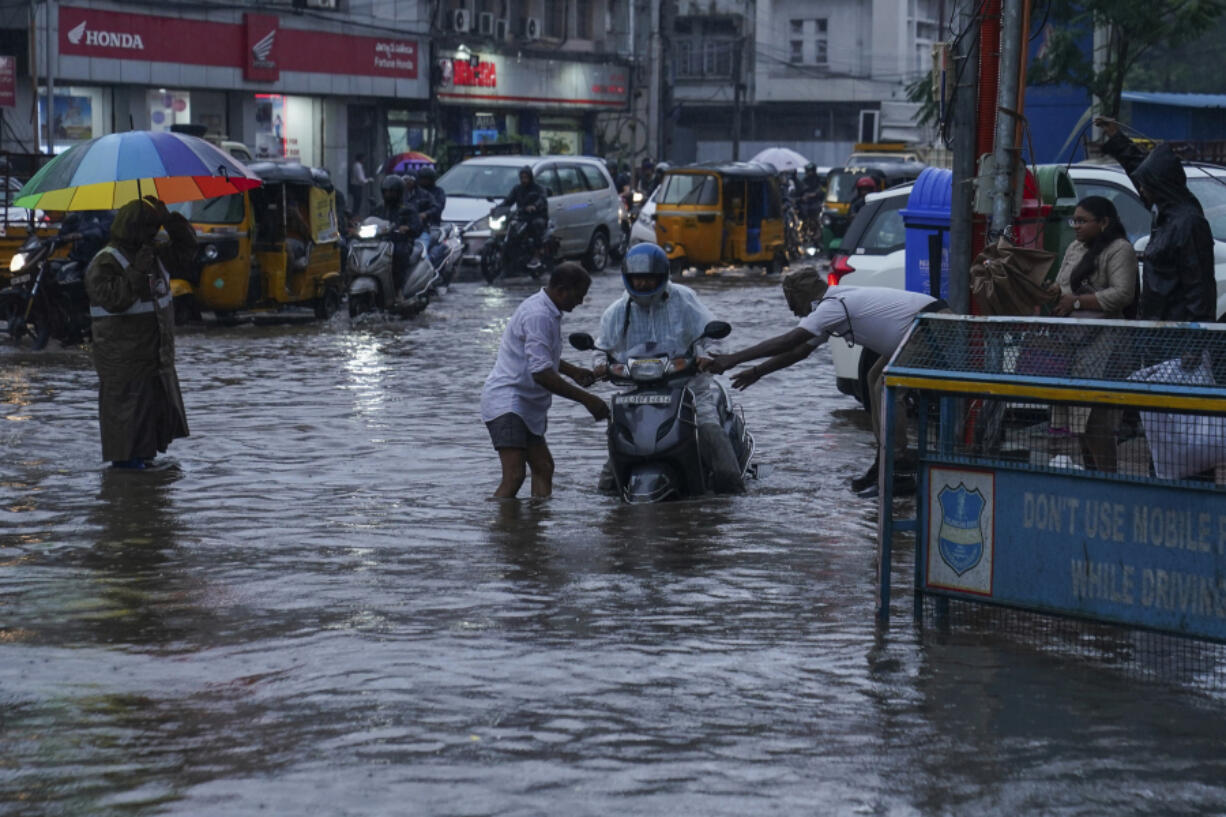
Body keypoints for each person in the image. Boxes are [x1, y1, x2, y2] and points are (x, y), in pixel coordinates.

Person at [706, 267, 950, 498]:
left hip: (932, 325)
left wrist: (733, 359)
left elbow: (790, 341)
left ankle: (899, 469)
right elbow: (799, 352)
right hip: (919, 326)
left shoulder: (830, 306)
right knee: (874, 378)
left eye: (791, 303)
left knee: (886, 386)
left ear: (801, 296)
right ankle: (883, 463)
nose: (792, 311)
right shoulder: (834, 304)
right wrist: (757, 371)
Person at [594, 243, 745, 493]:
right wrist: (600, 366)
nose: (642, 285)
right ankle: (608, 499)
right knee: (613, 462)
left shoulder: (684, 300)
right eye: (637, 279)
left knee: (711, 434)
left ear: (662, 276)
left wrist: (706, 356)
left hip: (689, 390)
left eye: (649, 279)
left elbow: (711, 336)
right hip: (637, 395)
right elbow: (602, 348)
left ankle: (734, 496)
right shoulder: (617, 311)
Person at [83, 196, 196, 469]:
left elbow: (188, 250)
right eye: (149, 228)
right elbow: (114, 299)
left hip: (153, 355)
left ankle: (143, 468)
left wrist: (170, 219)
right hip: (123, 360)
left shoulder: (154, 253)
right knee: (126, 421)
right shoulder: (105, 261)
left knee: (151, 418)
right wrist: (137, 271)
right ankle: (126, 476)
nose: (154, 234)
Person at [480, 263, 610, 498]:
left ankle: (535, 528)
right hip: (509, 402)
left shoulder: (546, 310)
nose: (580, 302)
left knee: (544, 468)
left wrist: (573, 372)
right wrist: (587, 400)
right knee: (514, 476)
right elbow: (540, 373)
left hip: (524, 404)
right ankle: (500, 531)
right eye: (579, 296)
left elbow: (540, 356)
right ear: (562, 291)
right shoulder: (538, 315)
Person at [1045, 195, 1139, 472]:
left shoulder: (1119, 250)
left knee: (1096, 419)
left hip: (1105, 343)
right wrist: (1051, 291)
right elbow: (1063, 286)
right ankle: (1091, 476)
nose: (1076, 226)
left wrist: (1077, 301)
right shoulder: (1075, 247)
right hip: (1072, 343)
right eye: (1075, 220)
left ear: (1104, 222)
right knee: (1076, 417)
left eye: (1083, 221)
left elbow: (1123, 294)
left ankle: (1106, 480)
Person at [1096, 115, 1215, 322]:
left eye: (1145, 185)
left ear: (1158, 186)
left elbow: (1199, 291)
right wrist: (1117, 138)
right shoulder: (1165, 213)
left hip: (1177, 336)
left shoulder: (1188, 224)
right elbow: (1141, 170)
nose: (1140, 188)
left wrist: (1195, 345)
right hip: (1157, 332)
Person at [367, 175, 422, 294]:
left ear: (399, 192)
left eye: (392, 192)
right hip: (379, 243)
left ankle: (399, 290)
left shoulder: (408, 209)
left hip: (400, 242)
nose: (388, 195)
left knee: (398, 254)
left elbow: (417, 227)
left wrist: (407, 228)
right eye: (386, 192)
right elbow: (370, 220)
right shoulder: (379, 208)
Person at [498, 165, 549, 270]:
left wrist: (534, 206)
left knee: (536, 225)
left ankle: (537, 254)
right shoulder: (517, 189)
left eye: (526, 177)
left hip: (537, 216)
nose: (524, 180)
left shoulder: (538, 189)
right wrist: (497, 209)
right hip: (522, 216)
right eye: (522, 177)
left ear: (530, 177)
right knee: (511, 228)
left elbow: (542, 200)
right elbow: (508, 201)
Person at [349, 153, 371, 220]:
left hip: (355, 186)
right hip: (357, 186)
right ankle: (355, 216)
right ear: (361, 159)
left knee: (357, 202)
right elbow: (361, 179)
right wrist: (368, 180)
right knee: (357, 202)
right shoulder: (358, 166)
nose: (364, 160)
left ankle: (355, 216)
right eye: (363, 158)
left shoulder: (356, 165)